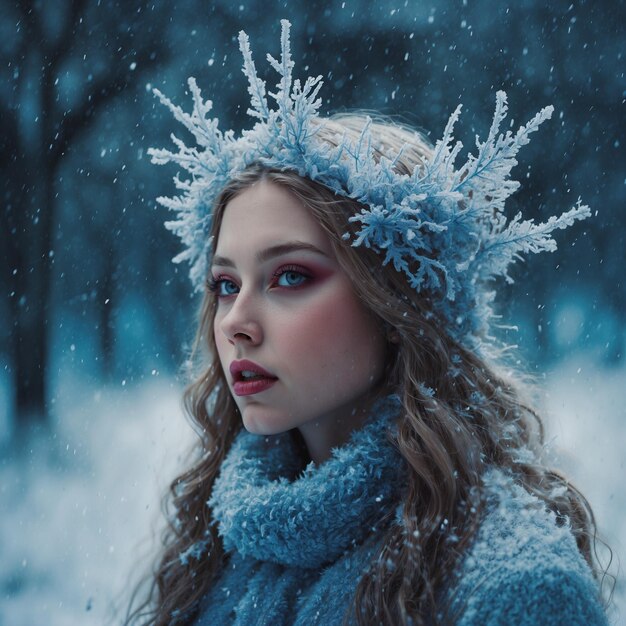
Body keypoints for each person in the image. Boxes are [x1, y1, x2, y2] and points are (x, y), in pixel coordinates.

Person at [127, 20, 612, 626]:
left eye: (290, 277)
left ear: (394, 304)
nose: (236, 324)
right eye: (226, 285)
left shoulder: (514, 587)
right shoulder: (217, 548)